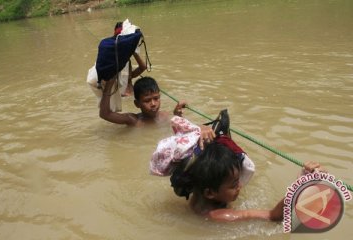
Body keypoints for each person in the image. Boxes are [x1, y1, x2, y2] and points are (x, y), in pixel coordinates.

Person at [150, 110, 325, 222]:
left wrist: (203, 129)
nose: (240, 185)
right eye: (234, 184)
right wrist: (302, 184)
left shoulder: (196, 181)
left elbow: (196, 154)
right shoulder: (220, 216)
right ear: (210, 193)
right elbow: (274, 216)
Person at [99, 76, 187, 126]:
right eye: (147, 100)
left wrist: (177, 116)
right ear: (137, 104)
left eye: (156, 98)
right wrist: (109, 85)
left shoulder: (166, 116)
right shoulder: (133, 120)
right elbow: (104, 114)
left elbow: (180, 129)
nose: (153, 104)